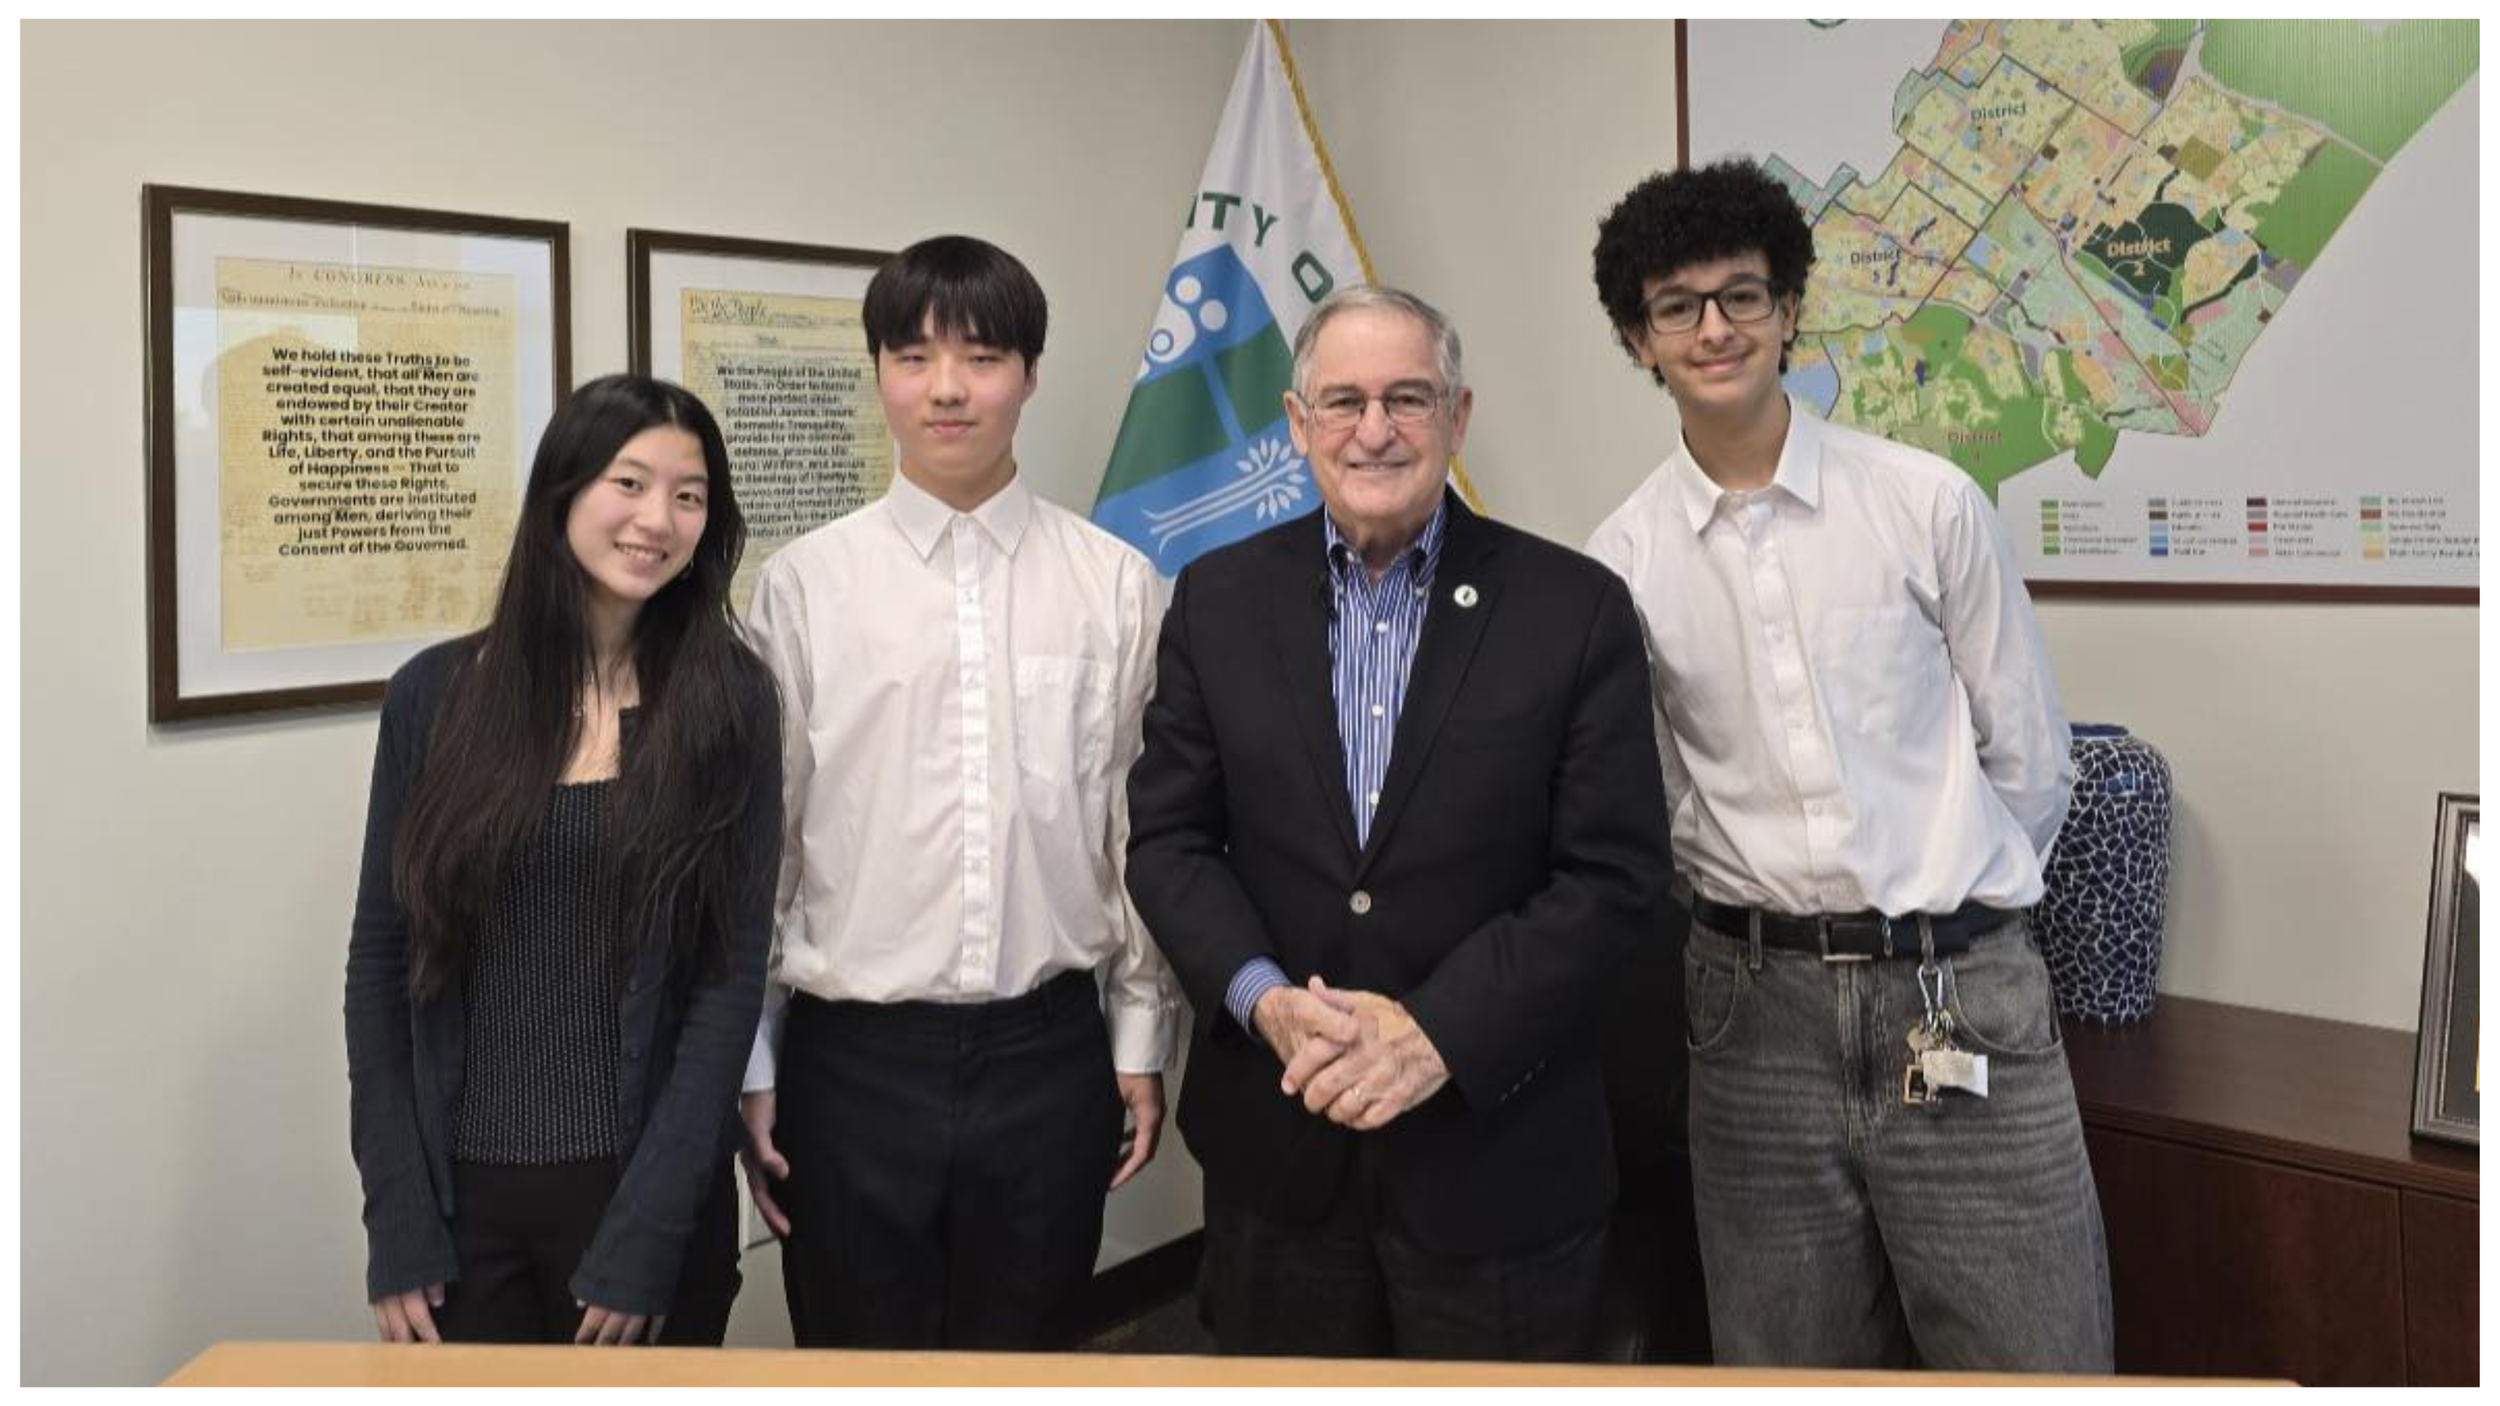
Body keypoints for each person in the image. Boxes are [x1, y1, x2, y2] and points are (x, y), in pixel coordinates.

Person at [1583, 158, 2111, 1371]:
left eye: (1742, 294)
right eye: (1677, 306)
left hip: (1958, 992)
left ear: (1788, 309)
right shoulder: (1620, 561)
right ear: (1638, 340)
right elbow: (1660, 793)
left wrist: (1943, 908)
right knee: (1787, 1364)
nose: (1714, 327)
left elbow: (2029, 754)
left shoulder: (1925, 503)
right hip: (1749, 1015)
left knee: (2038, 1356)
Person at [1124, 284, 1673, 1360]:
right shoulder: (1215, 599)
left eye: (1407, 398)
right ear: (1297, 423)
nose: (1373, 429)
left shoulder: (1575, 607)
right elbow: (1170, 843)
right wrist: (1265, 1001)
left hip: (1498, 1162)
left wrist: (1436, 1035)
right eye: (1343, 401)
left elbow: (1614, 876)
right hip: (1280, 1149)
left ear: (1456, 417)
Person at [736, 234, 1179, 1350]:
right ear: (879, 373)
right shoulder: (800, 589)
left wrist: (1138, 1034)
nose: (946, 388)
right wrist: (755, 1059)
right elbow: (761, 847)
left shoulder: (1116, 585)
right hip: (850, 1063)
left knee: (1031, 1351)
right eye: (913, 357)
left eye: (981, 357)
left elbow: (1136, 829)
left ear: (1029, 374)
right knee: (856, 1359)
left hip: (1048, 1054)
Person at [345, 373, 782, 1346]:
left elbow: (726, 985)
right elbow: (380, 964)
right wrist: (397, 1216)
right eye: (629, 483)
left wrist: (650, 1232)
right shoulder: (436, 695)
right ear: (563, 491)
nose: (657, 519)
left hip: (642, 1202)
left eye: (688, 495)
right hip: (462, 1210)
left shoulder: (729, 702)